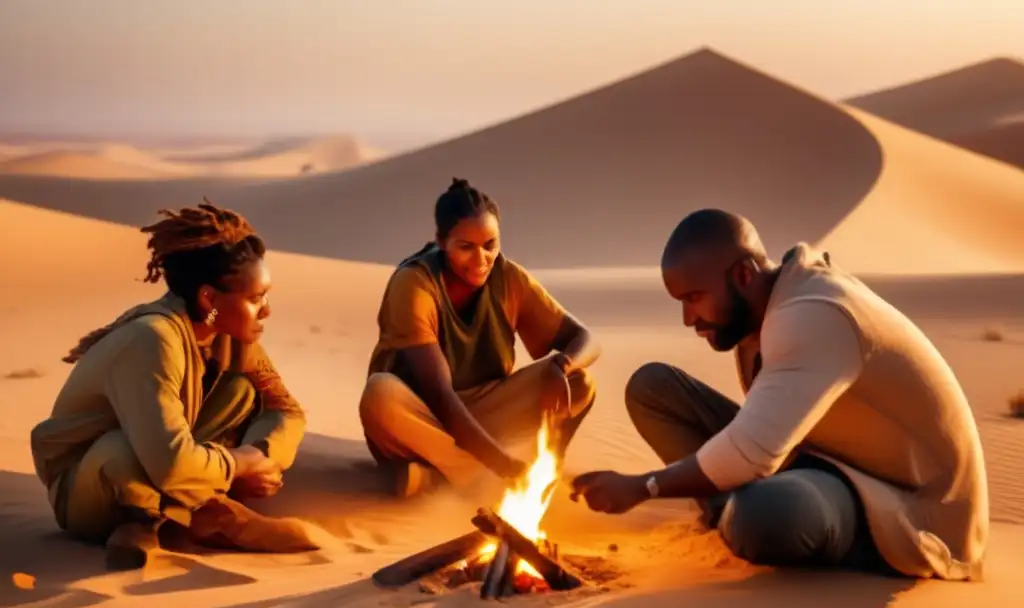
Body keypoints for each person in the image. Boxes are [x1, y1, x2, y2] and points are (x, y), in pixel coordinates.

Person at [571, 208, 988, 581]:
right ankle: (733, 509)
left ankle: (747, 513)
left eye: (695, 298)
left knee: (764, 516)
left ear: (744, 275)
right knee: (653, 389)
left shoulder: (813, 315)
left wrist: (644, 487)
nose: (687, 319)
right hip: (817, 458)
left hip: (905, 504)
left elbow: (752, 452)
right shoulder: (768, 304)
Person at [30, 199, 315, 570]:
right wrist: (237, 465)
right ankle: (186, 518)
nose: (266, 310)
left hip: (166, 464)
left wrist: (263, 456)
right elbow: (170, 464)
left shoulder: (225, 333)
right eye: (255, 298)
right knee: (122, 448)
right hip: (93, 487)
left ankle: (170, 519)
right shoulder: (153, 338)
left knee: (242, 395)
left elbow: (285, 411)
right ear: (209, 297)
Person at [360, 178, 600, 498]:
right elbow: (441, 398)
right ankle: (479, 479)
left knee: (579, 383)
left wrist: (563, 366)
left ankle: (439, 479)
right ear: (441, 242)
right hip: (422, 421)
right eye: (466, 247)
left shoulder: (509, 277)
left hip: (481, 417)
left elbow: (586, 339)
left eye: (490, 244)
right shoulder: (415, 284)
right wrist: (502, 466)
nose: (481, 259)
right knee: (380, 394)